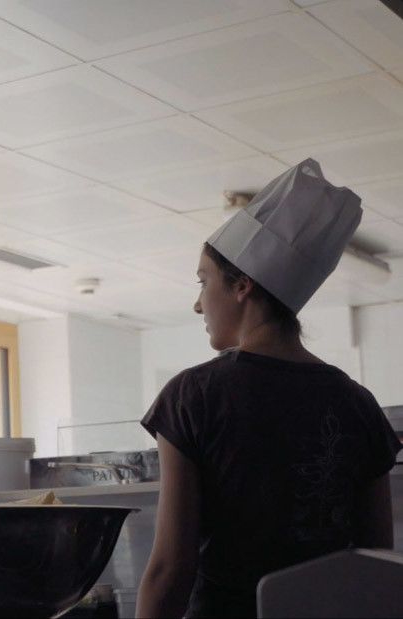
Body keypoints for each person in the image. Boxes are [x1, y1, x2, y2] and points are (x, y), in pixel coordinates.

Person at [136, 159, 400, 618]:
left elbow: (170, 569)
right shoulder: (359, 405)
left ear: (242, 285)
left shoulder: (193, 396)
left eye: (203, 281)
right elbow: (375, 566)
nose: (198, 304)